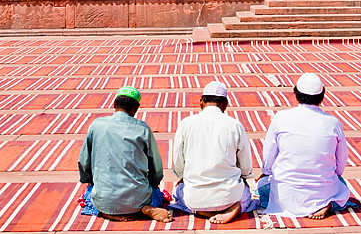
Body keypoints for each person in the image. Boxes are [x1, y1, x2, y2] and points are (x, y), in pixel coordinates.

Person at [259, 72, 351, 219]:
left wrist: (266, 172)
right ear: (322, 96)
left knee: (261, 188)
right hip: (322, 190)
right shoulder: (333, 123)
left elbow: (269, 154)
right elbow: (341, 162)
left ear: (296, 94)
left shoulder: (280, 118)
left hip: (285, 194)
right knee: (342, 185)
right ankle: (328, 203)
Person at [78, 85, 171, 222]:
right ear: (136, 108)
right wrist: (153, 183)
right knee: (155, 192)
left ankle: (109, 210)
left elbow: (84, 162)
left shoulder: (96, 125)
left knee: (91, 192)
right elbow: (156, 168)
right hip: (138, 198)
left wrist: (90, 180)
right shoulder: (143, 129)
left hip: (104, 199)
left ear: (114, 103)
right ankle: (142, 207)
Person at [172, 80, 258, 224]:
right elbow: (245, 164)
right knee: (246, 192)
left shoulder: (186, 123)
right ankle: (236, 207)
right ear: (225, 104)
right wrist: (245, 178)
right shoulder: (235, 125)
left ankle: (201, 210)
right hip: (229, 196)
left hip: (195, 197)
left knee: (178, 191)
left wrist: (181, 176)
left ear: (201, 102)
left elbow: (178, 160)